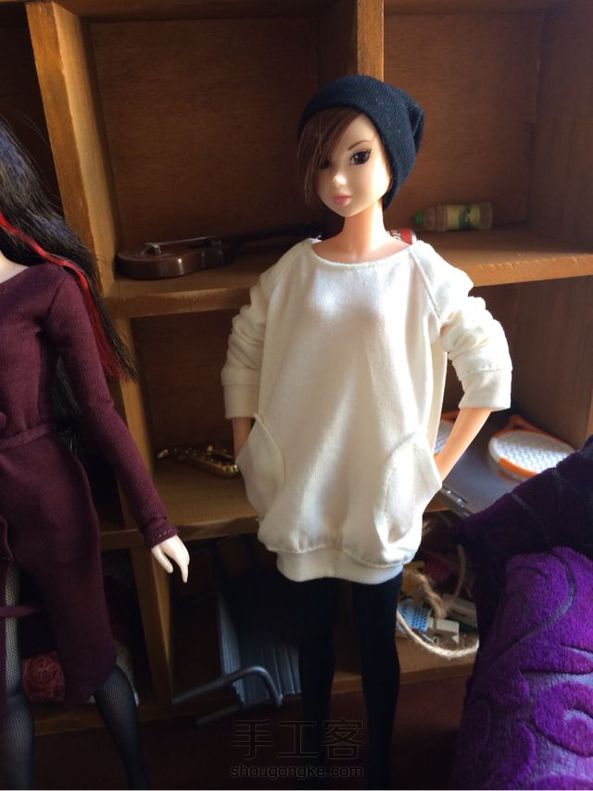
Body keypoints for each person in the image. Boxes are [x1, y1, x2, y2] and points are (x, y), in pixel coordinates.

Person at [221, 74, 512, 787]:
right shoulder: (293, 270)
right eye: (323, 162)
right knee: (312, 640)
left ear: (391, 161)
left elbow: (488, 365)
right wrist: (245, 445)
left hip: (380, 496)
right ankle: (313, 755)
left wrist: (434, 465)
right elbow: (244, 351)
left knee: (377, 644)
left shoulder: (420, 270)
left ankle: (377, 762)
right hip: (301, 490)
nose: (338, 179)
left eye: (357, 157)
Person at [0, 118, 189, 789]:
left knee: (93, 654)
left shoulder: (43, 288)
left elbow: (99, 411)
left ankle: (138, 777)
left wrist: (156, 522)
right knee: (3, 685)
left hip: (48, 497)